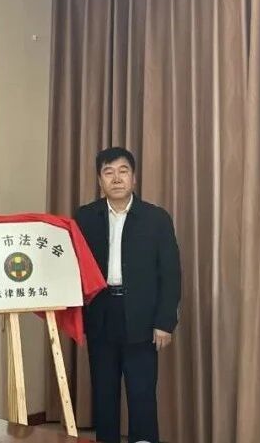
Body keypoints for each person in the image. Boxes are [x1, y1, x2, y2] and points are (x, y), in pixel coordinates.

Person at [74, 147, 181, 443]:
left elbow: (170, 274)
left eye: (123, 171)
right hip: (101, 314)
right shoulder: (85, 217)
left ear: (134, 178)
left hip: (142, 318)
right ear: (100, 180)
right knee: (104, 394)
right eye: (108, 172)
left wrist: (164, 322)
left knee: (142, 394)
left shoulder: (156, 218)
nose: (116, 179)